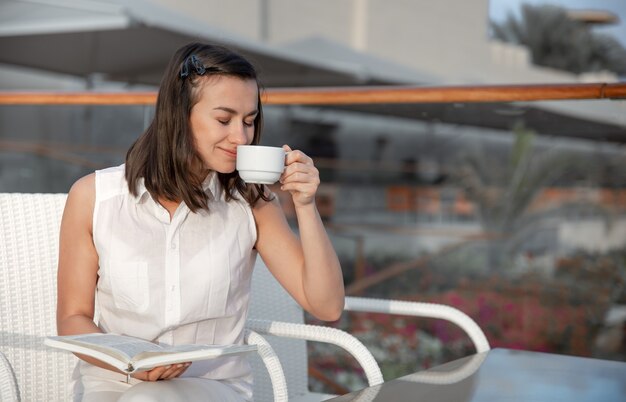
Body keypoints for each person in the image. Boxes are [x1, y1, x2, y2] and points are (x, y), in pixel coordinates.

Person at [56, 42, 345, 402]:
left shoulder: (252, 204)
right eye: (224, 120)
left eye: (250, 121)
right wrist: (133, 362)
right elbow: (73, 320)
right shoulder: (94, 197)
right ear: (179, 114)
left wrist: (305, 205)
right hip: (114, 385)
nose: (240, 137)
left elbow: (327, 304)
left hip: (213, 388)